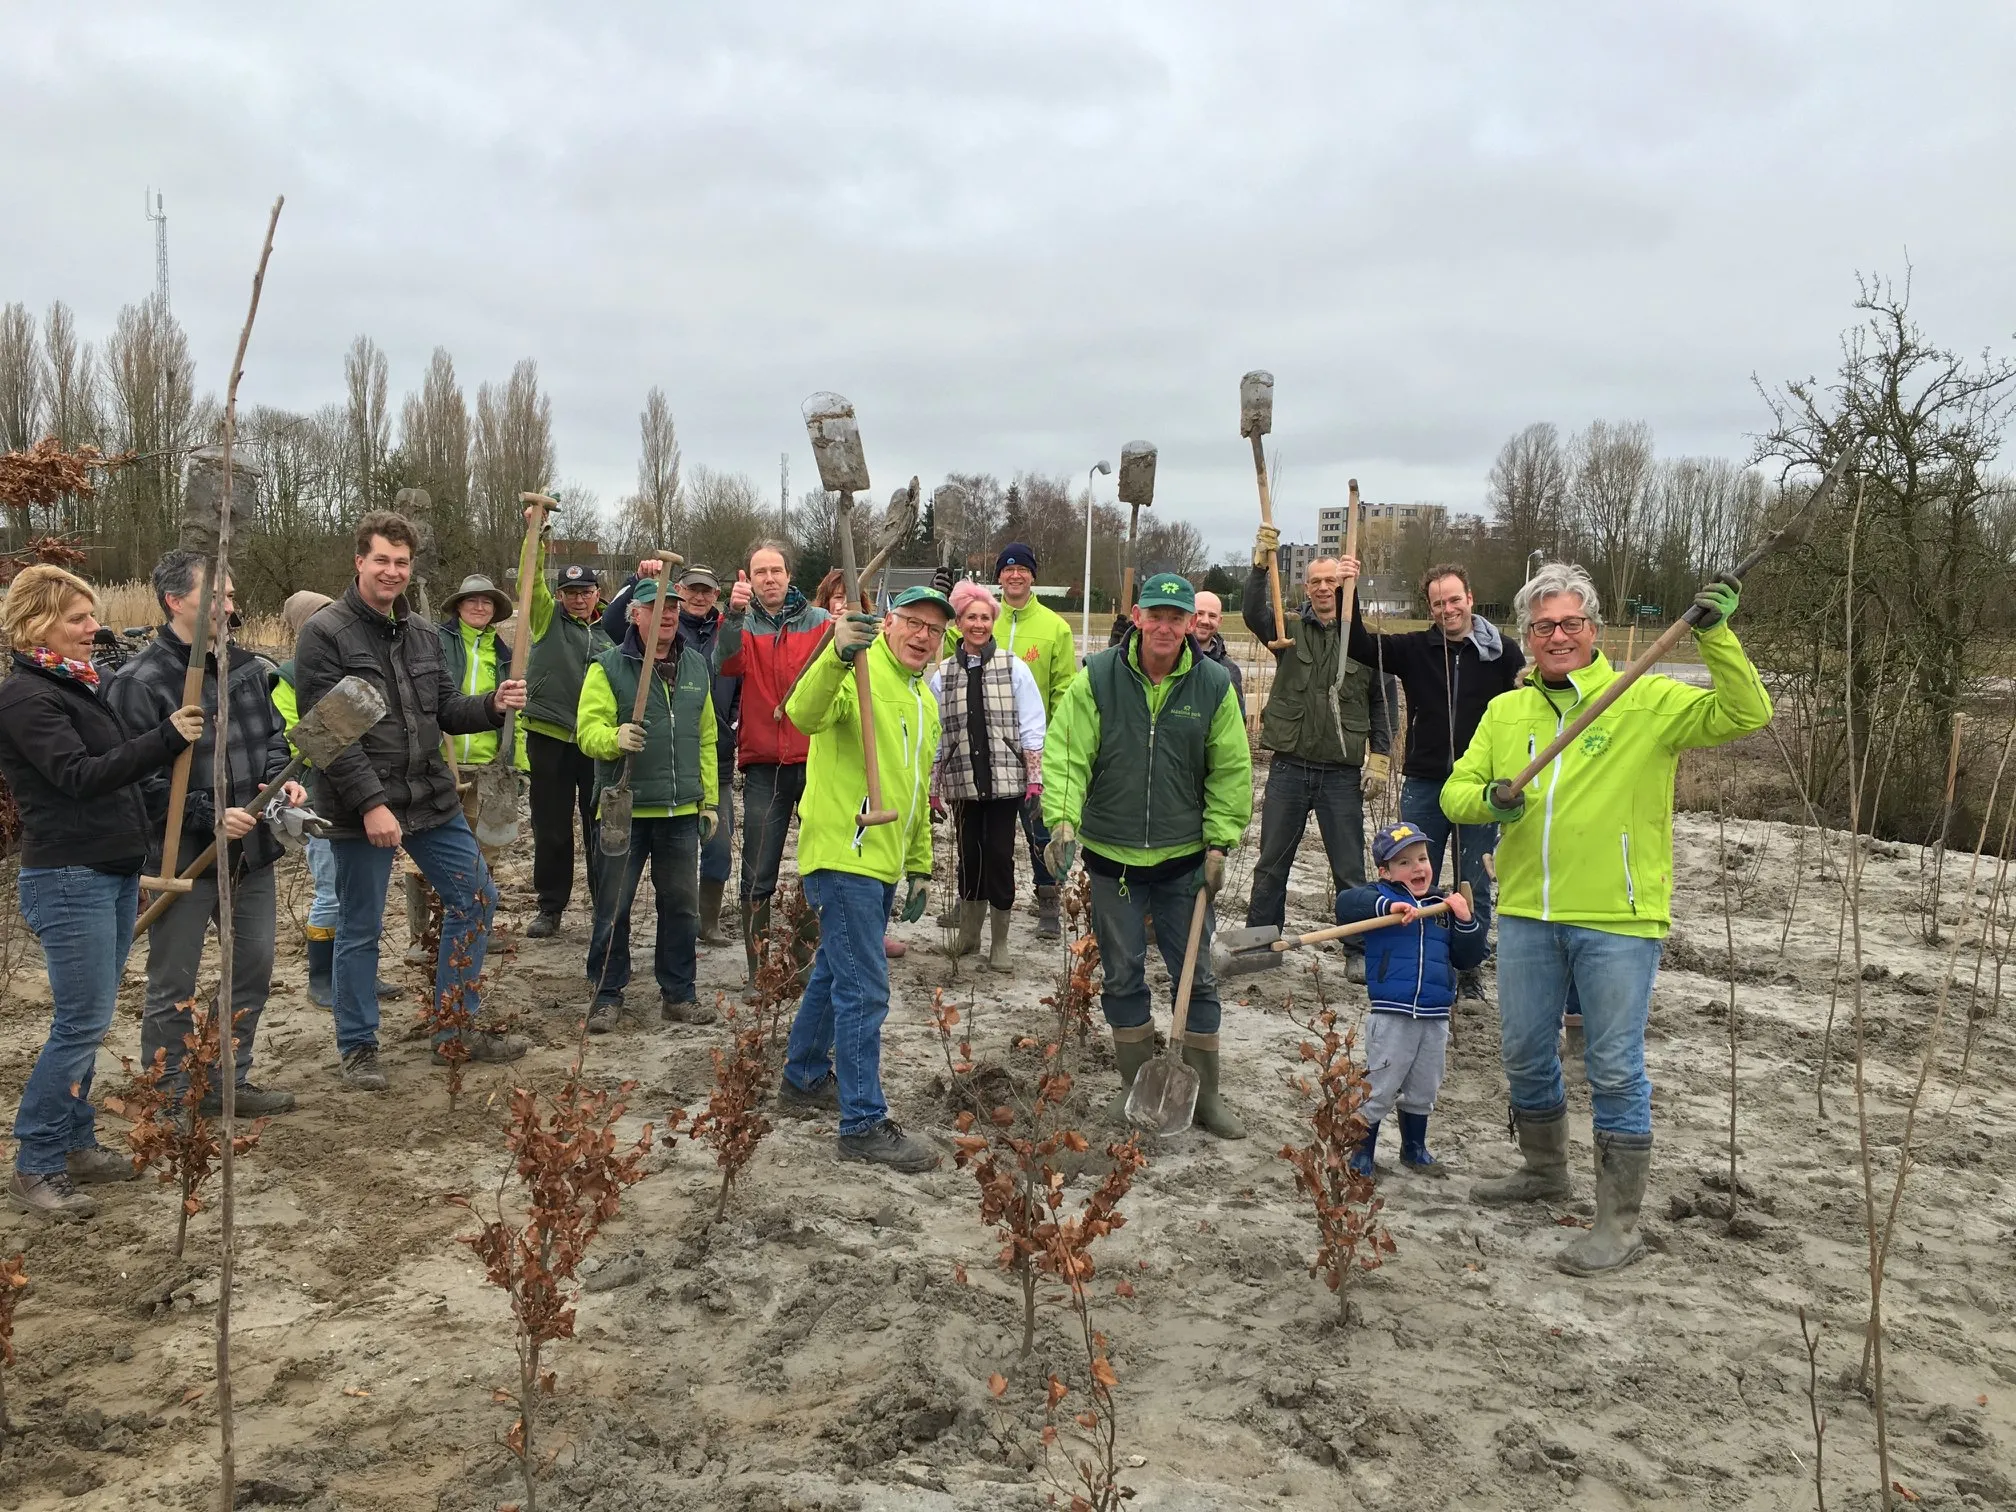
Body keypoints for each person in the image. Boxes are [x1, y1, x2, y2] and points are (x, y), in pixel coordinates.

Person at [1444, 563, 1769, 1275]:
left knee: (1615, 1069)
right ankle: (1543, 1170)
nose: (1557, 637)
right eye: (1543, 627)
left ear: (1593, 629)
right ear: (1527, 636)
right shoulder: (1508, 712)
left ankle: (1618, 1225)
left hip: (1620, 917)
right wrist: (1489, 802)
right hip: (1529, 909)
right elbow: (1454, 793)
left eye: (1571, 624)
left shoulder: (1644, 698)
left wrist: (1718, 639)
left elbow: (1747, 715)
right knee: (1526, 1052)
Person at [295, 510, 529, 1093]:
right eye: (382, 560)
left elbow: (445, 710)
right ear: (359, 561)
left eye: (402, 562)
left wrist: (493, 704)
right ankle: (358, 1048)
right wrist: (373, 805)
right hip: (357, 807)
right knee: (360, 927)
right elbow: (328, 735)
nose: (392, 572)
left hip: (428, 798)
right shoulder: (325, 634)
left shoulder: (423, 633)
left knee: (476, 897)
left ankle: (454, 1027)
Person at [0, 565, 202, 1220]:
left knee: (91, 1016)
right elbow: (80, 777)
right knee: (79, 1022)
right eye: (78, 619)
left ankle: (78, 1141)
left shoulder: (78, 687)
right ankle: (34, 1161)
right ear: (38, 626)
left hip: (108, 871)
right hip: (68, 877)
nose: (96, 628)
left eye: (93, 615)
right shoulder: (27, 699)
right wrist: (165, 739)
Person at [1042, 574, 1253, 1138]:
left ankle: (1206, 1097)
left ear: (1190, 624)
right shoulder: (1099, 678)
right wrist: (1061, 819)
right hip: (1114, 858)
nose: (1165, 626)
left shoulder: (1212, 686)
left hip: (1185, 859)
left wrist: (1218, 839)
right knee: (1124, 974)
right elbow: (1067, 755)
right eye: (1155, 615)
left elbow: (1231, 768)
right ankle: (1133, 1085)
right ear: (1137, 616)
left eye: (1176, 617)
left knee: (1198, 977)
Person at [105, 550, 306, 1120]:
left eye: (233, 595)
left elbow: (274, 735)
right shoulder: (139, 683)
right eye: (219, 595)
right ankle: (168, 1096)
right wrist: (208, 814)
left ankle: (225, 1080)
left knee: (253, 966)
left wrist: (275, 780)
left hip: (252, 848)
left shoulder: (247, 667)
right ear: (176, 601)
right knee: (175, 979)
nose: (231, 605)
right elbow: (134, 780)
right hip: (181, 853)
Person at [779, 585, 951, 1172]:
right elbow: (801, 714)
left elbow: (916, 792)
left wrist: (921, 863)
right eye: (913, 622)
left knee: (834, 974)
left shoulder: (923, 698)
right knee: (865, 990)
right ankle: (861, 1123)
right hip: (842, 854)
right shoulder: (856, 669)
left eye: (934, 628)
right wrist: (833, 651)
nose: (923, 636)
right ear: (889, 623)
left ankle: (802, 1079)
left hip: (882, 862)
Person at [1338, 557, 1524, 1000]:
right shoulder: (1415, 648)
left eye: (1454, 600)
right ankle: (1416, 961)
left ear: (1470, 599)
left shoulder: (1504, 652)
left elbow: (1524, 709)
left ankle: (1469, 969)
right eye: (1438, 603)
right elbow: (1360, 645)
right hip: (1425, 783)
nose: (1447, 609)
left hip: (1480, 788)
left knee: (1473, 883)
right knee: (1413, 877)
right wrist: (1350, 589)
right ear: (1431, 607)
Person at [576, 567, 719, 1032]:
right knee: (613, 907)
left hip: (680, 810)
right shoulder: (608, 667)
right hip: (624, 809)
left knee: (681, 907)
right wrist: (613, 736)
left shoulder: (696, 664)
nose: (668, 615)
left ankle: (678, 994)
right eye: (656, 608)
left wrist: (709, 801)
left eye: (674, 607)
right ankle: (606, 993)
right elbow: (586, 732)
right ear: (635, 615)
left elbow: (706, 737)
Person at [1243, 533, 1392, 975]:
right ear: (1306, 588)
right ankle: (1260, 946)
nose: (1323, 588)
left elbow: (1382, 704)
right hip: (1289, 768)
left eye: (1331, 581)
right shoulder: (1287, 632)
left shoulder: (1365, 643)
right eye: (1315, 582)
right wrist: (1257, 566)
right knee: (1271, 864)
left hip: (1341, 776)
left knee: (1349, 869)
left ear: (1343, 586)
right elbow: (1253, 612)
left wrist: (1380, 759)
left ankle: (1357, 951)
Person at [1333, 821, 1487, 1180]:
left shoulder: (1441, 906)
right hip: (1393, 1011)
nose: (1417, 867)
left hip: (1435, 1013)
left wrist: (1465, 920)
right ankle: (1361, 1151)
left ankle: (1414, 1148)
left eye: (1422, 858)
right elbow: (1347, 903)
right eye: (1404, 863)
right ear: (1385, 871)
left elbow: (1468, 958)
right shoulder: (1379, 901)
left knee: (1425, 1085)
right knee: (1381, 1084)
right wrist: (1389, 906)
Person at [946, 544, 1080, 939]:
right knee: (978, 832)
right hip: (983, 749)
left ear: (1033, 576)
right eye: (1008, 570)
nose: (1015, 576)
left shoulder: (1056, 628)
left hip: (1034, 750)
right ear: (999, 577)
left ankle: (1048, 902)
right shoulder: (985, 619)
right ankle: (968, 902)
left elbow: (1064, 690)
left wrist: (1052, 745)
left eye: (1022, 569)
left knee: (1038, 827)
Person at [716, 540, 830, 978]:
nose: (769, 578)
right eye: (760, 571)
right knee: (758, 868)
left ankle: (804, 963)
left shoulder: (819, 622)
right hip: (764, 765)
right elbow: (725, 665)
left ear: (789, 575)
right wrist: (732, 617)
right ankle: (758, 970)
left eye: (776, 570)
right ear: (749, 579)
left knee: (816, 865)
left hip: (816, 759)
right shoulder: (742, 626)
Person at [929, 580, 1047, 971]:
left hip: (1005, 780)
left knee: (998, 856)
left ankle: (1000, 942)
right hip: (962, 780)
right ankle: (969, 934)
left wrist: (1034, 778)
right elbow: (934, 734)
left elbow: (1031, 724)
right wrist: (934, 785)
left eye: (984, 617)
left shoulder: (1014, 667)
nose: (978, 624)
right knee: (969, 856)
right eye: (970, 617)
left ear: (992, 621)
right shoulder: (942, 674)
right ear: (958, 623)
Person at [522, 541, 612, 938]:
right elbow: (529, 577)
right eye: (570, 593)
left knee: (598, 825)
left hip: (593, 742)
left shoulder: (610, 629)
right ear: (559, 596)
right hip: (549, 737)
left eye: (585, 592)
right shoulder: (545, 620)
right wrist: (535, 536)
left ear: (597, 594)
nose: (578, 600)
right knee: (552, 827)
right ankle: (551, 906)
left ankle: (603, 902)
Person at [437, 572, 529, 779]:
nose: (479, 607)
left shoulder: (505, 657)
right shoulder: (436, 642)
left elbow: (516, 717)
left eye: (486, 602)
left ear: (494, 610)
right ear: (459, 606)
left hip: (487, 766)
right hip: (439, 763)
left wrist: (521, 766)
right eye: (472, 600)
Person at [1191, 589, 1245, 718]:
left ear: (1220, 621)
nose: (1205, 621)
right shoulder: (1170, 659)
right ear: (1189, 616)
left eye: (1212, 616)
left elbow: (1236, 720)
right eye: (1200, 613)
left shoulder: (1229, 671)